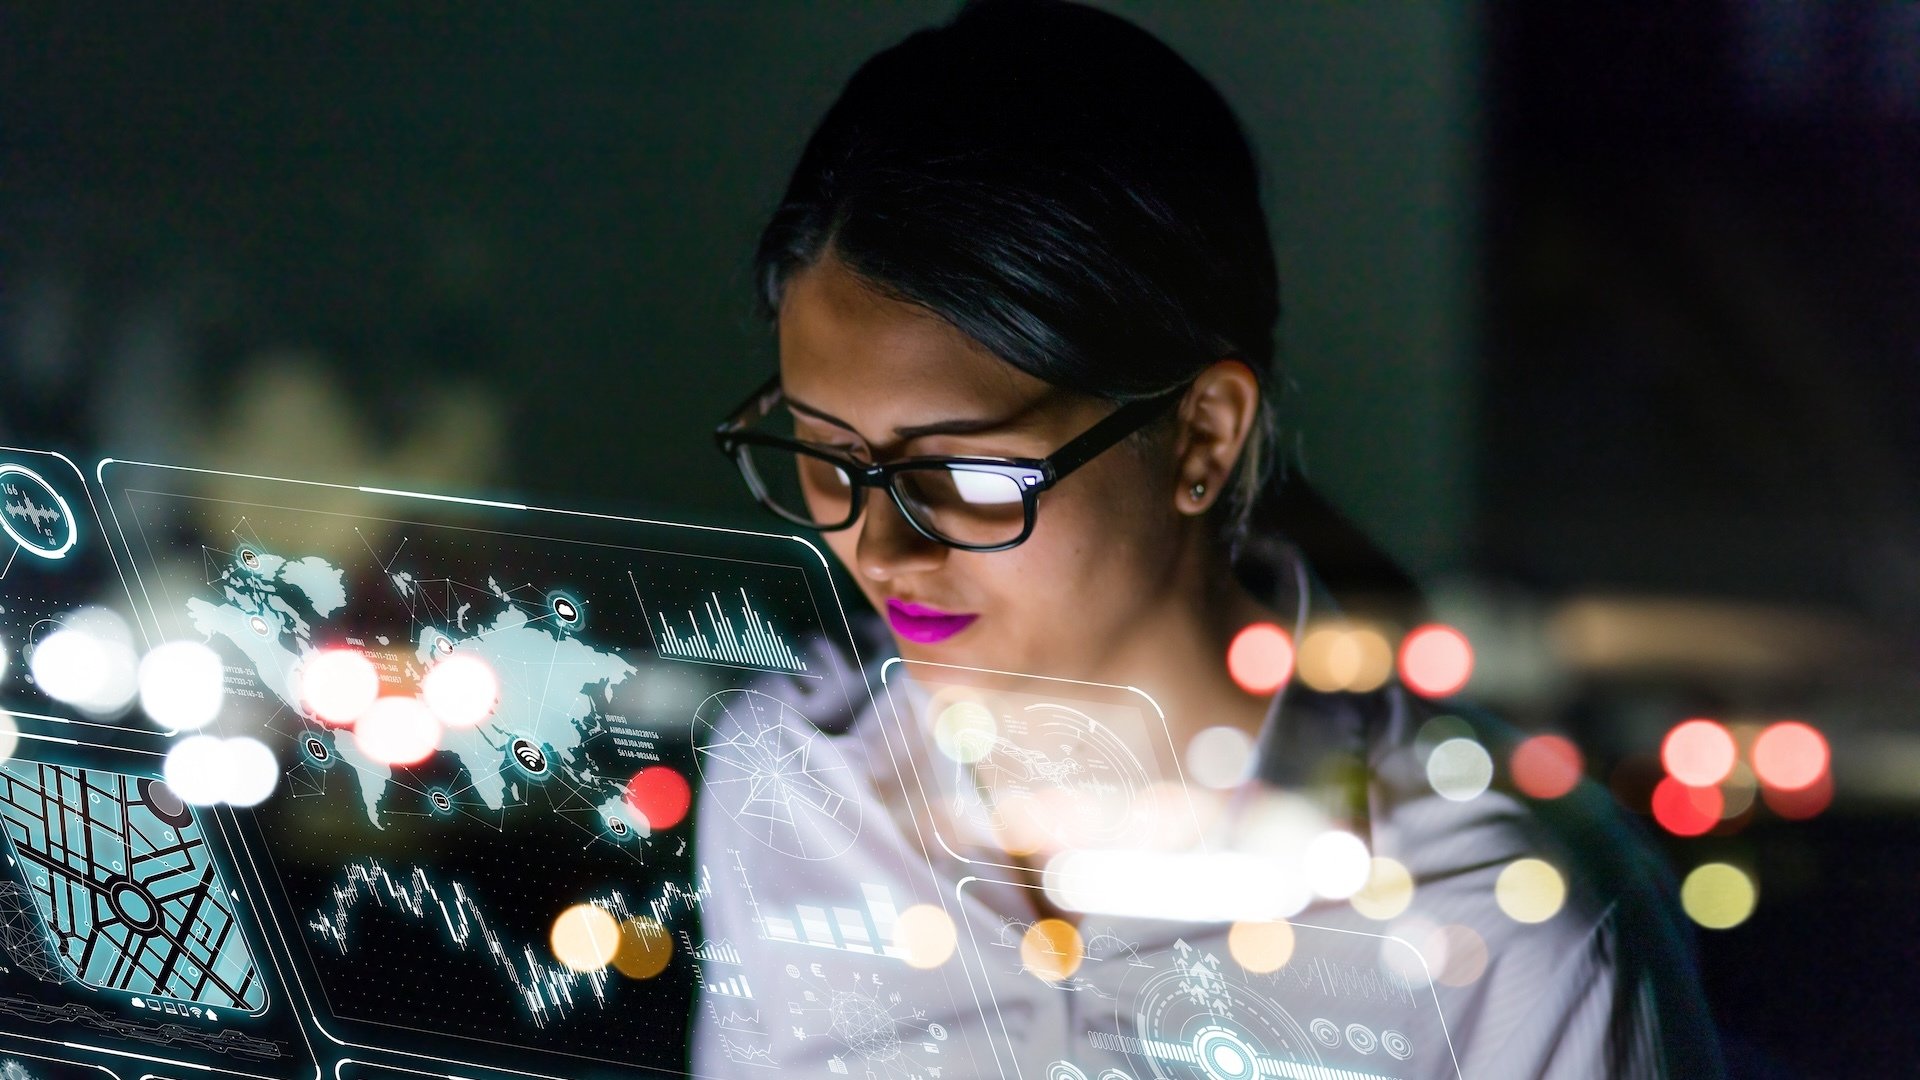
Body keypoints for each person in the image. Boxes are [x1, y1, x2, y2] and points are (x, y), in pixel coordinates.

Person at [692, 1, 1723, 1076]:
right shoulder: (788, 790)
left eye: (967, 473)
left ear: (1203, 435)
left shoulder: (1503, 921)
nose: (884, 550)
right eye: (827, 456)